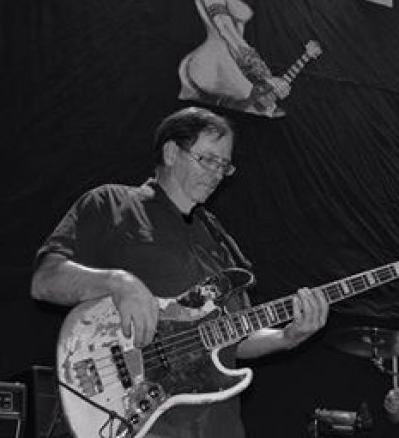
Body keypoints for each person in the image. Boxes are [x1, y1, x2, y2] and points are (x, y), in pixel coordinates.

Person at [31, 106, 329, 437]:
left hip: (217, 426)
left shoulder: (221, 244)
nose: (217, 173)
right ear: (171, 152)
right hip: (138, 418)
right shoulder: (112, 204)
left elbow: (236, 338)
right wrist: (118, 282)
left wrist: (288, 337)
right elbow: (46, 280)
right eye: (208, 160)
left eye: (224, 165)